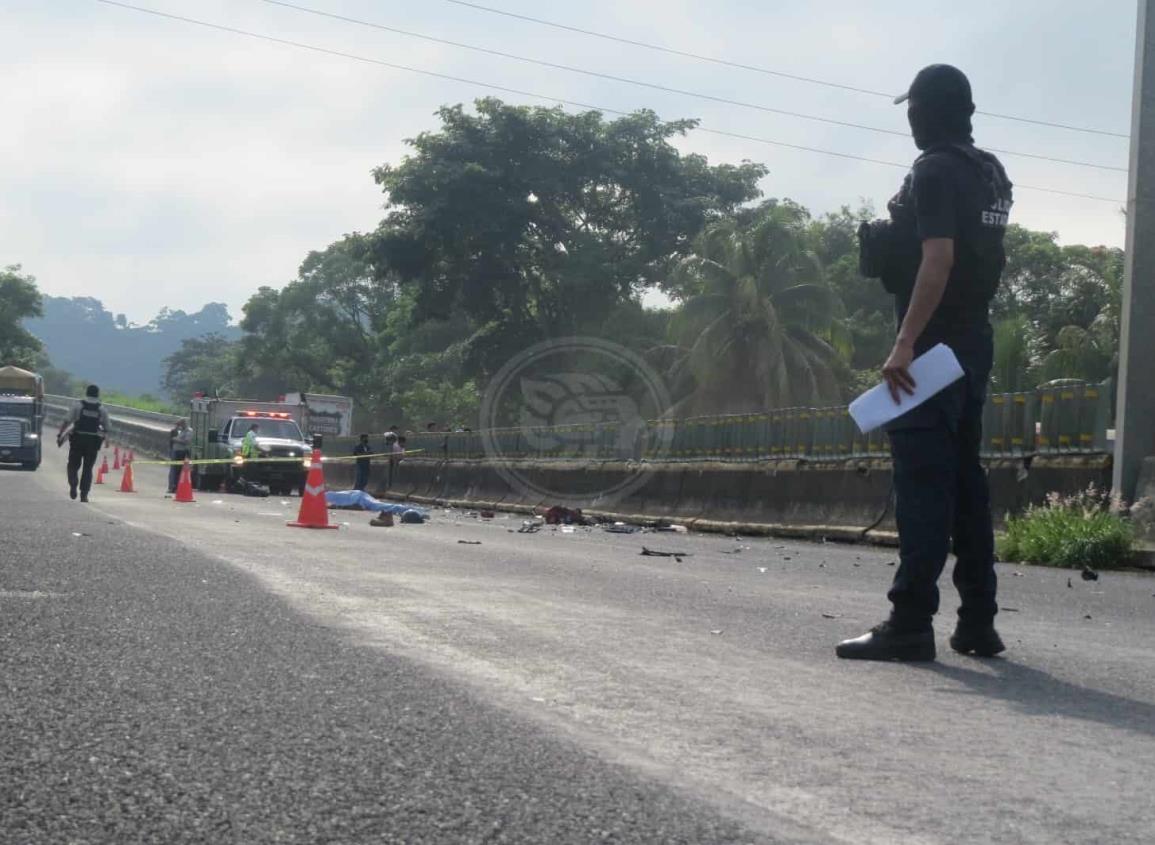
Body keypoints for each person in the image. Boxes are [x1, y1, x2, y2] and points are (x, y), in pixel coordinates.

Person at [838, 64, 1013, 662]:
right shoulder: (989, 172)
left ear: (926, 111)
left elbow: (937, 258)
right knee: (966, 482)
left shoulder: (934, 171)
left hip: (932, 352)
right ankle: (978, 622)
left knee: (922, 485)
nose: (910, 119)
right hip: (972, 345)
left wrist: (905, 343)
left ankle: (910, 622)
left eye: (913, 109)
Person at [58, 384, 111, 502]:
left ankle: (73, 484)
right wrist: (106, 440)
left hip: (77, 439)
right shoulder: (101, 409)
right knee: (88, 468)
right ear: (97, 394)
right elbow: (107, 427)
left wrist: (60, 434)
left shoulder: (78, 405)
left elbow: (67, 421)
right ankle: (84, 494)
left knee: (73, 465)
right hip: (93, 442)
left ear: (86, 393)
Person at [168, 418, 194, 494]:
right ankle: (172, 486)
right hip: (176, 452)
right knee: (173, 471)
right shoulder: (180, 431)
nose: (179, 426)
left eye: (180, 425)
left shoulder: (188, 431)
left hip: (181, 452)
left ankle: (176, 487)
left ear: (183, 424)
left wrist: (176, 440)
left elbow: (187, 441)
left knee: (178, 470)